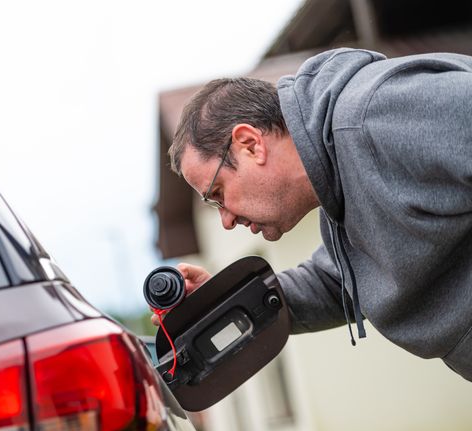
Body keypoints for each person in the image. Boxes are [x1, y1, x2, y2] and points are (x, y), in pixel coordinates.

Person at [162, 48, 472, 381]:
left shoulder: (376, 115)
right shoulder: (340, 191)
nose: (226, 220)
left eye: (219, 194)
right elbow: (338, 281)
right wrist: (221, 300)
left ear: (251, 144)